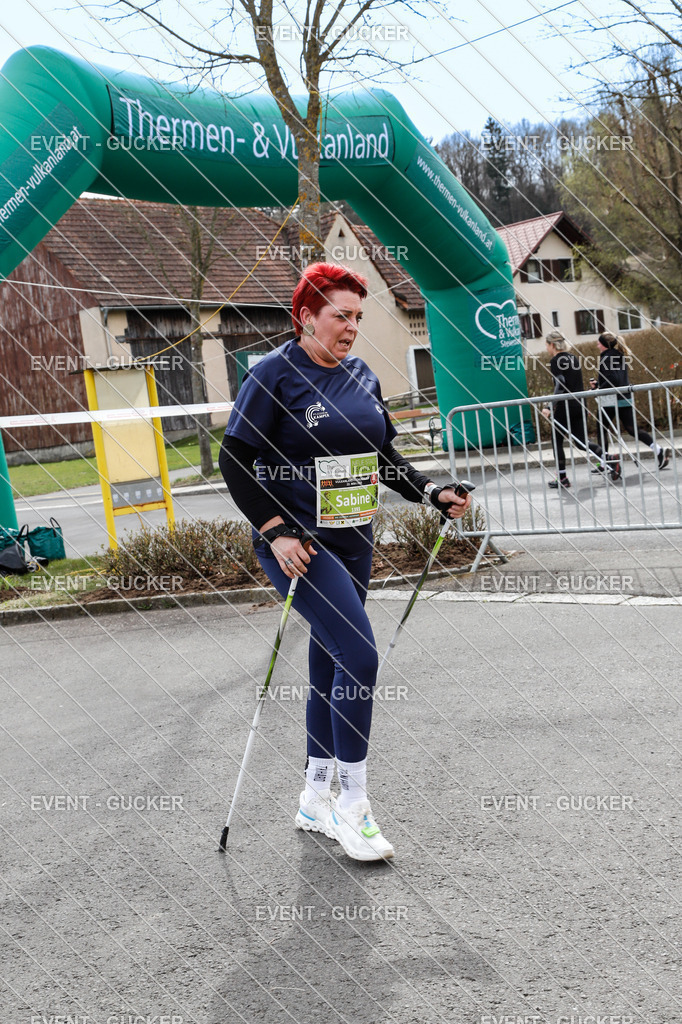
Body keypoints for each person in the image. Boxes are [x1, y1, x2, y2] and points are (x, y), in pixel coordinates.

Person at [219, 262, 471, 862]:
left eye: (358, 317)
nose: (351, 327)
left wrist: (430, 492)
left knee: (330, 661)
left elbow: (384, 455)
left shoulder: (361, 375)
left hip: (355, 540)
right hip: (300, 546)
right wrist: (276, 530)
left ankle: (313, 796)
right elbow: (234, 460)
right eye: (341, 315)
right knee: (359, 654)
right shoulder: (276, 375)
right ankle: (352, 806)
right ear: (306, 316)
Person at [541, 329, 620, 488]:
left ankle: (562, 478)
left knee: (556, 441)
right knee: (582, 442)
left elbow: (560, 383)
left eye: (547, 345)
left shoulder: (556, 360)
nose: (547, 349)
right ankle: (609, 459)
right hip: (579, 404)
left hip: (565, 406)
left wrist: (550, 405)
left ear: (552, 345)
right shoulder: (573, 358)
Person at [589, 331, 670, 470]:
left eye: (598, 342)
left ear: (603, 344)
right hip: (624, 397)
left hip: (611, 399)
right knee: (632, 429)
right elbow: (616, 378)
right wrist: (599, 385)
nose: (597, 344)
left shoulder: (607, 358)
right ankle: (658, 450)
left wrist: (598, 390)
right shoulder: (619, 356)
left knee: (601, 429)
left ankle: (604, 463)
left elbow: (612, 380)